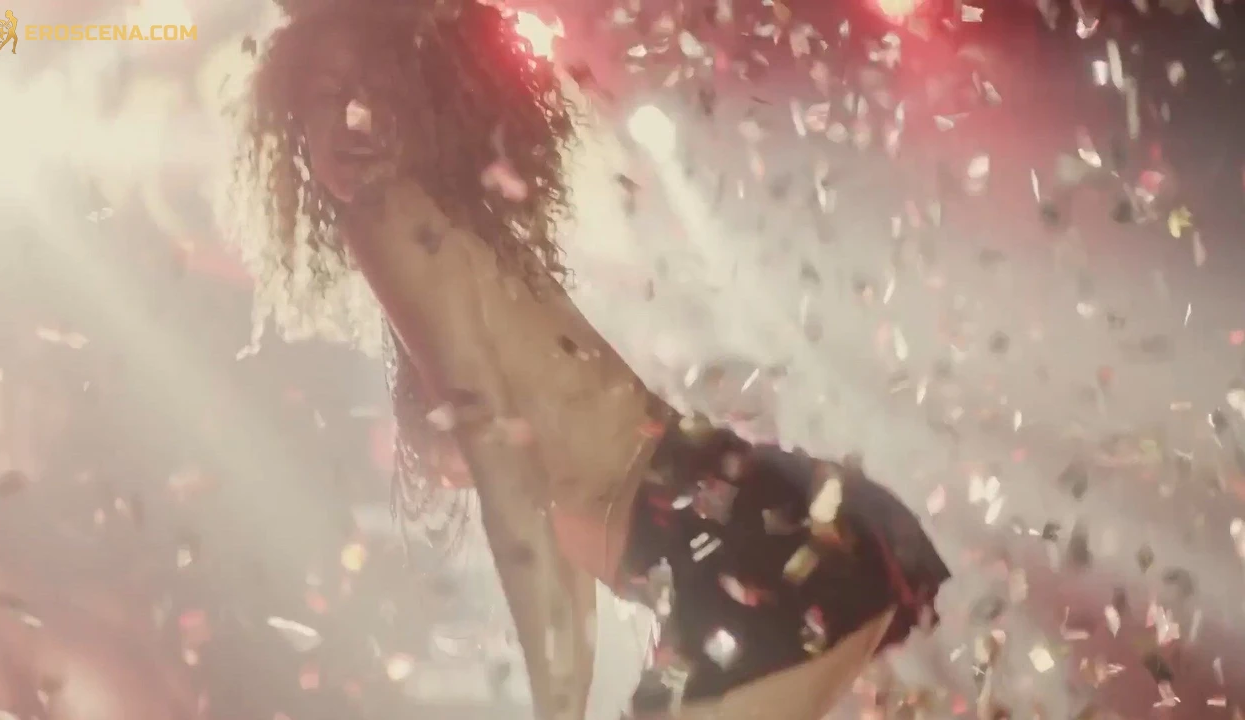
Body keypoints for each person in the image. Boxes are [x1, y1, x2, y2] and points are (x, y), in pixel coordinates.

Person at [232, 1, 951, 718]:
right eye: (327, 96)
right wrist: (565, 700)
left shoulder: (386, 214)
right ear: (294, 124)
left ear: (410, 104)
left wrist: (557, 706)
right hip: (759, 526)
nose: (353, 116)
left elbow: (507, 467)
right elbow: (542, 508)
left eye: (373, 89)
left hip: (730, 543)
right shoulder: (450, 240)